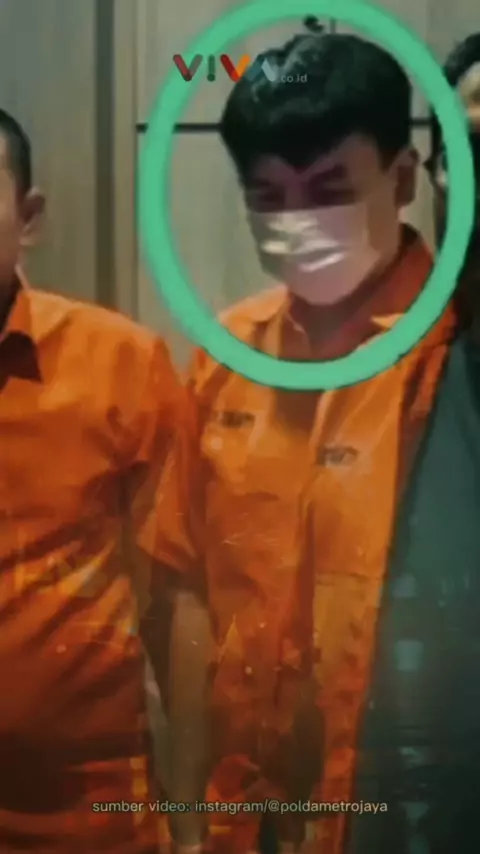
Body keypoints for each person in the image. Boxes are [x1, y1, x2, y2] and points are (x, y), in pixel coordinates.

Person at [139, 31, 467, 854]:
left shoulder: (455, 358)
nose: (298, 224)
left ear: (402, 180)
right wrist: (190, 823)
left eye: (329, 190)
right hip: (244, 820)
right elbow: (185, 591)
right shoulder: (226, 357)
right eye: (268, 197)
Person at [0, 108, 184, 853]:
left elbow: (181, 605)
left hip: (90, 819)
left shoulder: (120, 364)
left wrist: (200, 824)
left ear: (29, 216)